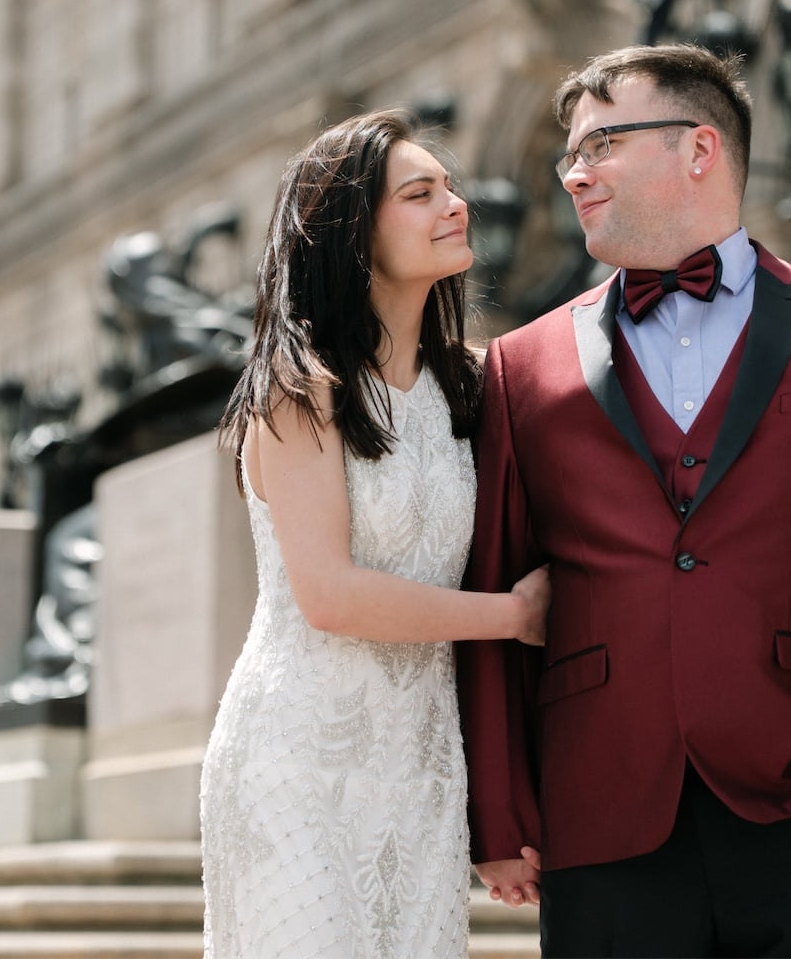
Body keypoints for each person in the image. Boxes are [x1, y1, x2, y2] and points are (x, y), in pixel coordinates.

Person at [457, 44, 791, 958]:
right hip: (602, 818)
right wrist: (501, 810)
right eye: (569, 154)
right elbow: (496, 580)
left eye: (602, 144)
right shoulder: (520, 366)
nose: (573, 175)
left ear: (699, 148)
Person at [200, 109, 552, 959]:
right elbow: (330, 595)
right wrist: (514, 616)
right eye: (420, 193)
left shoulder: (468, 386)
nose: (455, 205)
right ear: (351, 228)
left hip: (424, 767)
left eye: (450, 188)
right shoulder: (299, 389)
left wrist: (499, 807)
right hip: (298, 760)